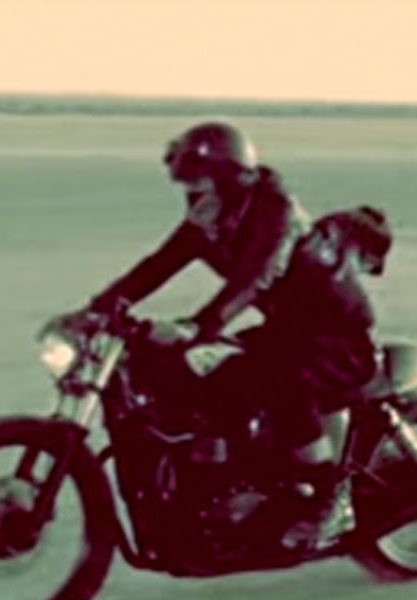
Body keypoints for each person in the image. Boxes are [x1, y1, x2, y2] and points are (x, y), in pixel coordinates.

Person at [83, 120, 391, 549]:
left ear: (228, 179)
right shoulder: (212, 217)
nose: (193, 194)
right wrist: (98, 309)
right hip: (288, 330)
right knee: (210, 375)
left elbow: (256, 277)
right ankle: (235, 483)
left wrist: (201, 325)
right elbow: (160, 264)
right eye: (189, 185)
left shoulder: (275, 211)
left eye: (201, 182)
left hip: (336, 336)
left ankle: (327, 502)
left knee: (283, 382)